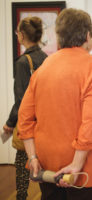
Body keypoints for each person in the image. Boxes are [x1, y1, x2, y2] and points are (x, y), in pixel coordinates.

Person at [17, 8, 92, 200]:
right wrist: (77, 164)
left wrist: (32, 158)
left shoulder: (43, 68)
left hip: (47, 163)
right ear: (88, 35)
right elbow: (91, 123)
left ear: (59, 36)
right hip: (84, 165)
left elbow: (24, 118)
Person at [2, 16, 47, 200]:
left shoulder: (22, 62)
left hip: (28, 123)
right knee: (44, 163)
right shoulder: (46, 58)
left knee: (22, 163)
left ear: (20, 35)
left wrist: (10, 123)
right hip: (45, 121)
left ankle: (21, 197)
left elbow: (21, 101)